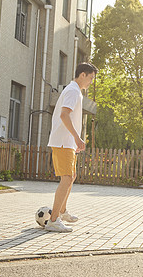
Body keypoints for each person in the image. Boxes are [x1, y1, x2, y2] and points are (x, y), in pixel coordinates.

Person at [45, 62, 97, 232]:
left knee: (71, 176)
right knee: (66, 178)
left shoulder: (75, 91)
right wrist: (77, 138)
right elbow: (64, 114)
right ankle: (53, 220)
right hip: (63, 141)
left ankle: (62, 211)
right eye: (90, 78)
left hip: (66, 142)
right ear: (82, 74)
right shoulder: (73, 91)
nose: (91, 82)